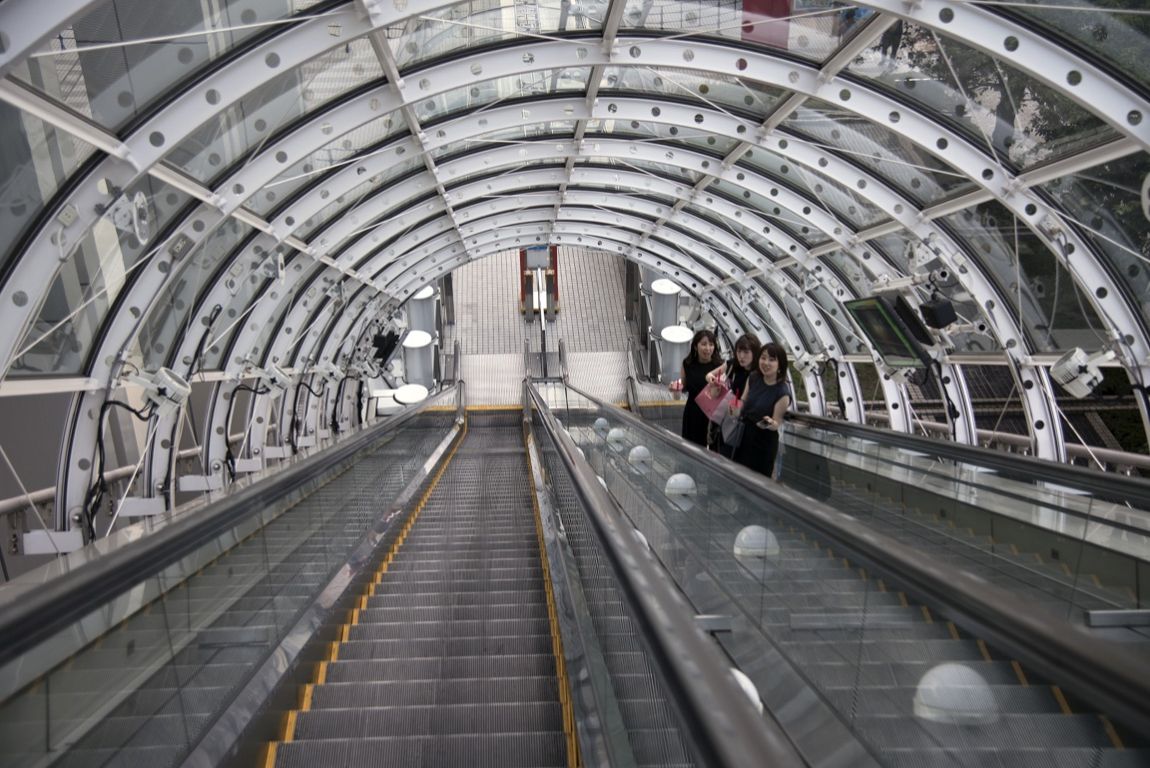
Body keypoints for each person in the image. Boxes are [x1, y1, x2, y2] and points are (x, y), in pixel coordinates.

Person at [732, 342, 791, 479]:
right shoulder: (753, 378)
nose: (766, 363)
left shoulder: (782, 392)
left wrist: (770, 423)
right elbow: (743, 401)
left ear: (780, 365)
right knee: (739, 478)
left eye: (772, 359)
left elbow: (777, 423)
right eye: (763, 358)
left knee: (757, 482)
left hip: (763, 442)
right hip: (744, 435)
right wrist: (736, 408)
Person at [705, 333, 761, 457]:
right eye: (739, 351)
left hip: (743, 422)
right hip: (723, 418)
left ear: (755, 352)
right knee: (719, 453)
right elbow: (709, 375)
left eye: (746, 352)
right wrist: (713, 382)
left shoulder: (757, 374)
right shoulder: (732, 364)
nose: (741, 356)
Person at [673, 328, 719, 447]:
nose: (708, 348)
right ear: (695, 346)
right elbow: (682, 386)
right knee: (690, 447)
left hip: (712, 414)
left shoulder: (719, 366)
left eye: (711, 344)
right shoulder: (688, 364)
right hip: (692, 413)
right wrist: (675, 388)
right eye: (703, 344)